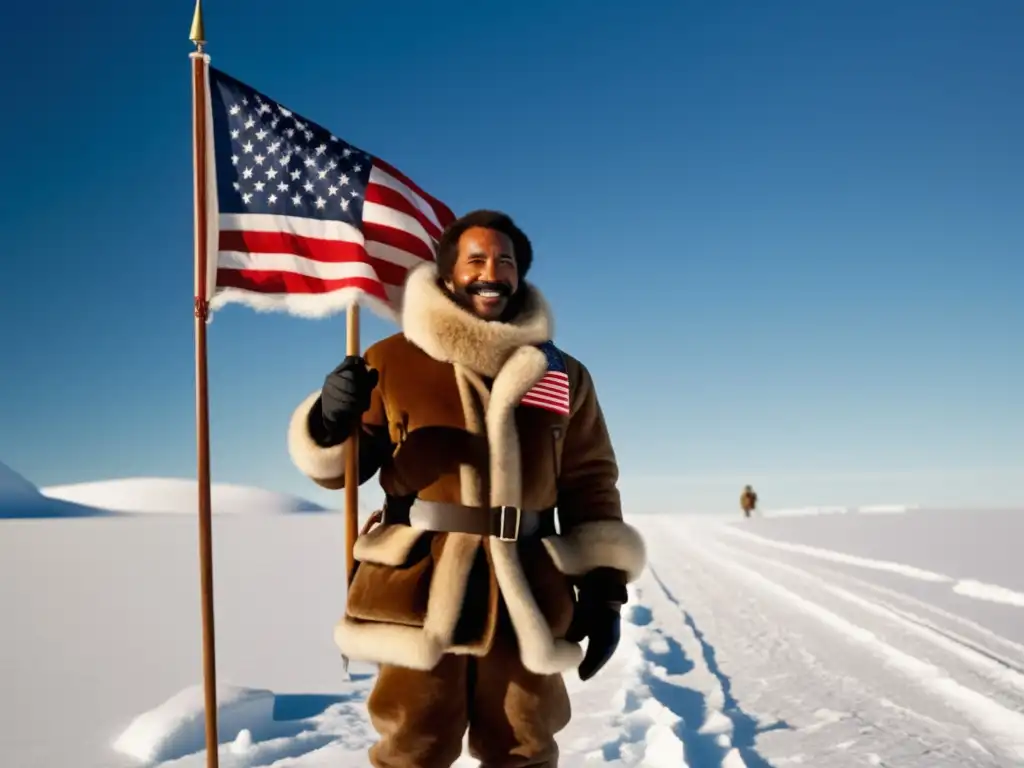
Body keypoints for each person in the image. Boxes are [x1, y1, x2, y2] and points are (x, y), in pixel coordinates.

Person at [286, 209, 646, 768]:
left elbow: (591, 481)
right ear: (449, 272)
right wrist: (330, 421)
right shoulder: (391, 359)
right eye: (474, 259)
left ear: (519, 275)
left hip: (526, 584)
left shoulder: (560, 372)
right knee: (414, 744)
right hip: (417, 584)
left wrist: (604, 590)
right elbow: (341, 471)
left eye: (504, 261)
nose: (490, 272)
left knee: (524, 745)